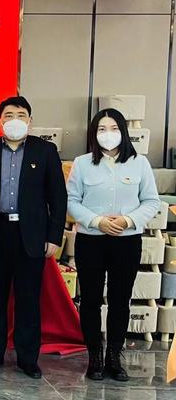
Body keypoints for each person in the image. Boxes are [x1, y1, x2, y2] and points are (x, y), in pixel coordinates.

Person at [0, 96, 67, 379]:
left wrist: (54, 236)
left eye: (21, 115)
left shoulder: (45, 151)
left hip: (31, 236)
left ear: (30, 120)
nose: (15, 120)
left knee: (28, 299)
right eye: (9, 115)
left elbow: (57, 197)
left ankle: (27, 359)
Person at [67, 108, 159, 382]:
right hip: (90, 241)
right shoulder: (83, 163)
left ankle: (114, 356)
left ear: (124, 131)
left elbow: (151, 201)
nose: (108, 134)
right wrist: (97, 221)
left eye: (114, 128)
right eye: (102, 129)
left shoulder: (139, 163)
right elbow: (71, 201)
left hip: (126, 242)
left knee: (120, 300)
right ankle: (94, 355)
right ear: (94, 134)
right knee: (91, 300)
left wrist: (128, 220)